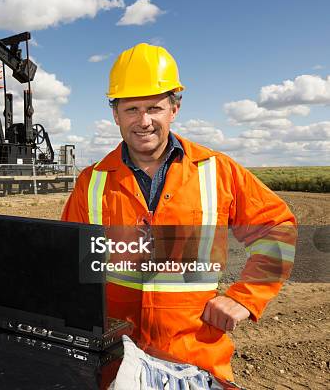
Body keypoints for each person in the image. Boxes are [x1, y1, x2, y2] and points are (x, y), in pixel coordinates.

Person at [61, 43, 297, 382]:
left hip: (194, 362)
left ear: (175, 108)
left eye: (154, 108)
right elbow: (67, 261)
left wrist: (245, 297)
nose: (144, 121)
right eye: (132, 109)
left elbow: (278, 228)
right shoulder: (92, 182)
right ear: (115, 114)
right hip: (112, 362)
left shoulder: (217, 171)